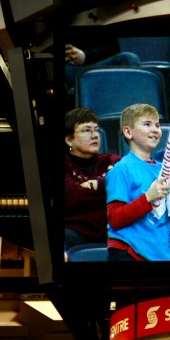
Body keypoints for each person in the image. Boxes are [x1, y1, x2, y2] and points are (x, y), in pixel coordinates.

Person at [105, 103, 170, 261]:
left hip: (159, 254)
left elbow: (166, 221)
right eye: (147, 124)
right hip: (128, 252)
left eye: (157, 125)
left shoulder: (166, 170)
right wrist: (148, 197)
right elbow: (115, 219)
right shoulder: (121, 169)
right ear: (128, 132)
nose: (155, 130)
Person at [63, 108, 121, 255]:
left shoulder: (111, 160)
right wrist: (109, 186)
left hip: (115, 233)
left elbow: (130, 184)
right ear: (70, 139)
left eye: (96, 130)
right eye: (86, 130)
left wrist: (98, 184)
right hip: (77, 234)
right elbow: (72, 198)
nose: (94, 135)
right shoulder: (64, 165)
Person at [62, 36, 142, 98]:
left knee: (129, 58)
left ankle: (126, 100)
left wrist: (85, 55)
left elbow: (113, 47)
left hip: (98, 63)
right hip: (69, 69)